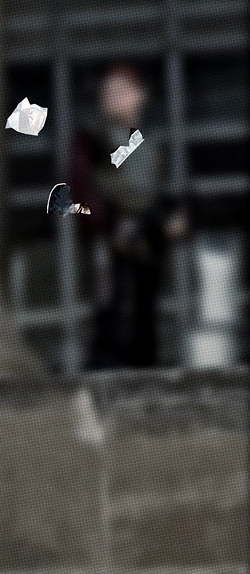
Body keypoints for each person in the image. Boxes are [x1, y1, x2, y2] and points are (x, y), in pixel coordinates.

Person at [69, 62, 190, 369]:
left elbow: (151, 189)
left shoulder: (142, 142)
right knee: (113, 314)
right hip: (113, 239)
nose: (112, 97)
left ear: (140, 94)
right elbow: (84, 190)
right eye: (108, 91)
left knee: (142, 314)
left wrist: (168, 217)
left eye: (121, 90)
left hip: (145, 238)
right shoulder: (92, 140)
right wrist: (110, 227)